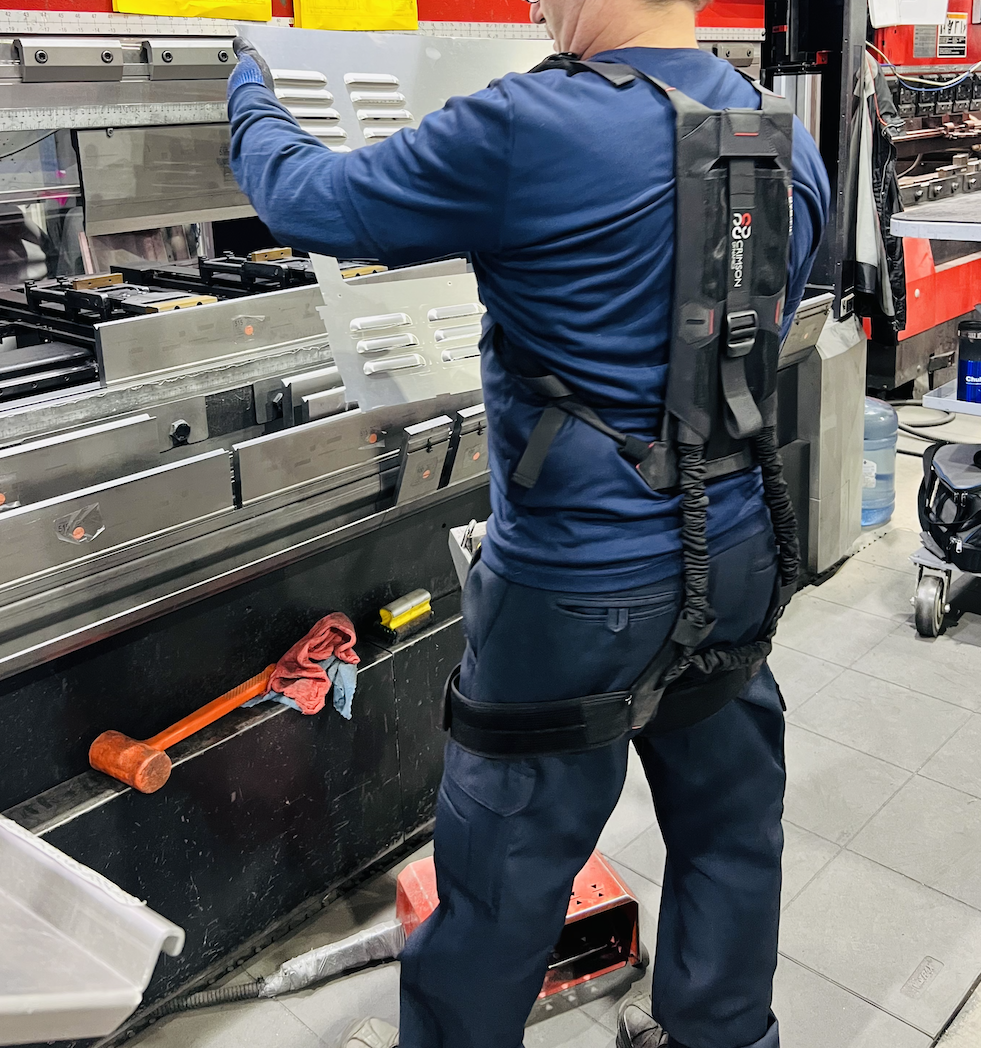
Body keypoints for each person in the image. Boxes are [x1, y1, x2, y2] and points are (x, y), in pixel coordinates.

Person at [227, 0, 830, 1043]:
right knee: (731, 834)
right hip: (734, 553)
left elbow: (310, 199)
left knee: (500, 883)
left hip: (572, 591)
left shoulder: (524, 127)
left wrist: (248, 88)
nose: (541, 11)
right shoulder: (776, 130)